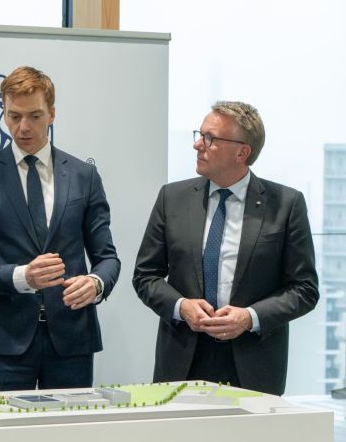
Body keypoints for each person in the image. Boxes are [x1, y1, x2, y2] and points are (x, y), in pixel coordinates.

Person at [132, 101, 319, 395]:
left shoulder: (286, 204)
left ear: (242, 153)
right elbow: (145, 276)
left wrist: (250, 317)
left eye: (210, 138)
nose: (197, 144)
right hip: (182, 359)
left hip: (253, 364)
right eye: (199, 134)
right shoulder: (172, 198)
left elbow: (305, 289)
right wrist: (181, 307)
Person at [0, 66, 120, 392]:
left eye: (34, 116)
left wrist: (96, 283)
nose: (23, 127)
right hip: (5, 341)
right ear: (4, 114)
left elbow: (107, 258)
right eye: (14, 116)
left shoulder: (84, 176)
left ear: (52, 114)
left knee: (70, 427)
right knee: (3, 427)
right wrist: (23, 277)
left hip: (72, 339)